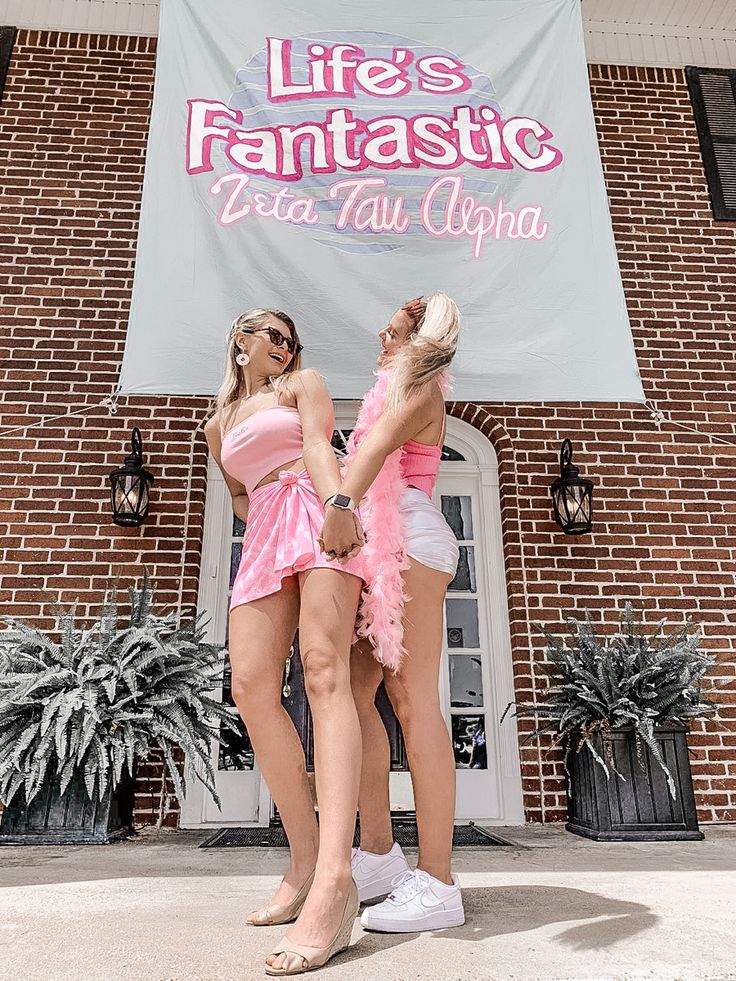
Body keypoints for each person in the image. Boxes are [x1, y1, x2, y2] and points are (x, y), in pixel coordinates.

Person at [204, 309, 366, 975]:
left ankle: (334, 875)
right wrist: (268, 508)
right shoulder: (216, 425)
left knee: (324, 672)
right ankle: (302, 857)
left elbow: (320, 444)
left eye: (288, 338)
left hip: (318, 507)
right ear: (240, 339)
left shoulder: (303, 384)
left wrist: (337, 505)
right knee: (250, 686)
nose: (281, 344)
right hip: (266, 530)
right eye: (268, 332)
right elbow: (239, 496)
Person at [318, 293, 465, 933]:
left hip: (411, 543)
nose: (382, 332)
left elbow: (374, 447)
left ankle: (437, 885)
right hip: (379, 544)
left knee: (412, 702)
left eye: (396, 328)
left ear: (417, 342)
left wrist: (339, 505)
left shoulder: (420, 390)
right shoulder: (396, 385)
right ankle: (377, 852)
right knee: (354, 695)